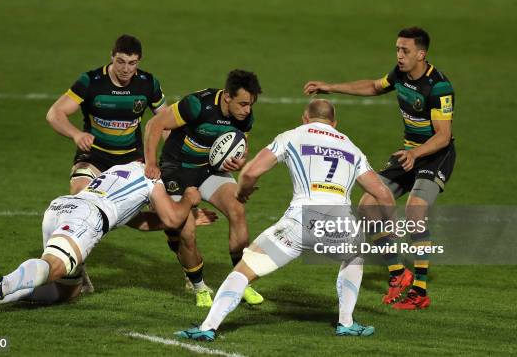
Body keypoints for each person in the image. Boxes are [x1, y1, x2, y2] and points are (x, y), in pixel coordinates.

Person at [176, 99, 396, 341]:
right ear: (335, 123)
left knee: (244, 269)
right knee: (354, 253)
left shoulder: (292, 135)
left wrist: (242, 192)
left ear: (305, 118)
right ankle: (346, 322)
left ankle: (208, 327)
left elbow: (249, 172)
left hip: (298, 224)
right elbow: (383, 195)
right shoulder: (353, 149)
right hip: (340, 226)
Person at [303, 26, 455, 309]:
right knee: (367, 205)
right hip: (409, 152)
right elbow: (374, 86)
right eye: (397, 49)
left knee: (415, 211)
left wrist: (416, 154)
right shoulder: (400, 75)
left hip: (435, 155)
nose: (399, 55)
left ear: (421, 54)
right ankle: (398, 273)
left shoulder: (439, 87)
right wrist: (330, 87)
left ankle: (419, 291)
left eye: (405, 51)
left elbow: (443, 136)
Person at [0, 162, 203, 317]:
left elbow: (136, 220)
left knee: (67, 290)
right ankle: (3, 284)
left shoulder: (122, 169)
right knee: (54, 266)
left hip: (62, 207)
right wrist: (189, 201)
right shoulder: (153, 178)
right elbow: (171, 219)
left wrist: (185, 215)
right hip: (86, 218)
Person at [45, 34, 172, 293]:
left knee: (164, 211)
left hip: (131, 159)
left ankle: (192, 276)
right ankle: (77, 274)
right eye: (121, 61)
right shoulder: (91, 81)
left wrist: (170, 157)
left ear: (139, 62)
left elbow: (166, 122)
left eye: (132, 63)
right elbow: (54, 113)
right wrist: (76, 134)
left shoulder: (148, 84)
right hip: (95, 156)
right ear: (111, 57)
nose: (126, 69)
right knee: (78, 201)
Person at [144, 70, 264, 307]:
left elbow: (241, 144)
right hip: (177, 169)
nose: (247, 109)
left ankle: (241, 283)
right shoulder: (197, 105)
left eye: (250, 104)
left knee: (237, 210)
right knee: (186, 230)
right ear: (227, 97)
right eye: (242, 103)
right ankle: (199, 288)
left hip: (209, 170)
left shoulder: (244, 115)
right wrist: (150, 162)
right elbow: (155, 124)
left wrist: (240, 160)